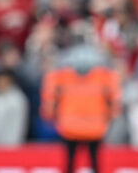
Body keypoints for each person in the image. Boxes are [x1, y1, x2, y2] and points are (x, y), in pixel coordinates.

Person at [42, 45, 121, 173]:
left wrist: (50, 116)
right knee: (94, 162)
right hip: (95, 128)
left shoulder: (60, 75)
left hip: (70, 127)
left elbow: (50, 100)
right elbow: (113, 102)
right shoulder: (106, 75)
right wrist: (111, 118)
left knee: (70, 163)